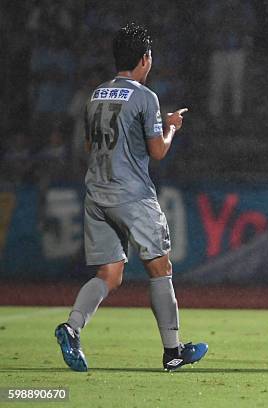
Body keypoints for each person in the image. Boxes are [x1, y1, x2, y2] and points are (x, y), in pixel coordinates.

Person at [54, 23, 207, 372]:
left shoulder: (95, 95)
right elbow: (157, 152)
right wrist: (170, 128)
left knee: (109, 274)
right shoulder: (145, 96)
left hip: (97, 194)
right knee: (160, 268)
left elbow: (91, 146)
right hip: (133, 195)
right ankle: (173, 351)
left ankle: (72, 327)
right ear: (144, 59)